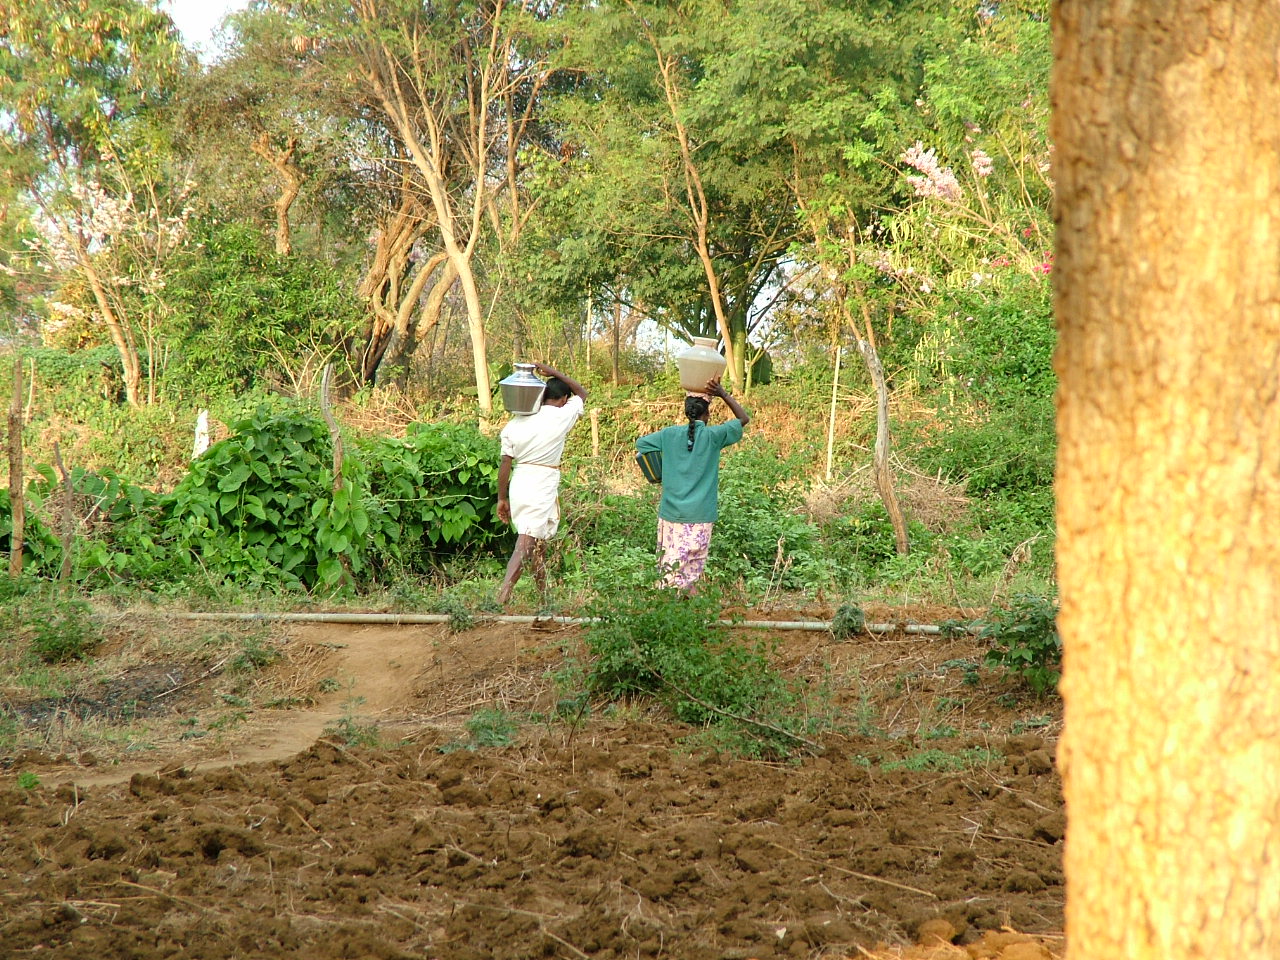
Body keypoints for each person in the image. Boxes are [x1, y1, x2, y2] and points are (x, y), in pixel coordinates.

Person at [635, 377, 750, 594]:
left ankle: (668, 608)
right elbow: (743, 418)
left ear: (686, 412)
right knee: (691, 570)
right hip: (701, 515)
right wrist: (723, 394)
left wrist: (658, 472)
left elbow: (641, 444)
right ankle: (687, 611)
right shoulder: (713, 436)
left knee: (669, 567)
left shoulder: (669, 434)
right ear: (708, 414)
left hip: (671, 514)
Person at [495, 361, 588, 605]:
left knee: (538, 541)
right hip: (541, 482)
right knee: (527, 539)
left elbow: (505, 463)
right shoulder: (561, 415)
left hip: (520, 481)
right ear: (563, 399)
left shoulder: (515, 423)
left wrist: (501, 498)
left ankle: (545, 598)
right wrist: (553, 371)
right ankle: (504, 592)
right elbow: (583, 393)